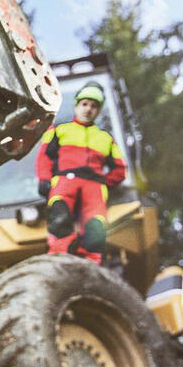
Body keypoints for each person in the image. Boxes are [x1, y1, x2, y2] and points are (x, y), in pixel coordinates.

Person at [33, 82, 127, 263]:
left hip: (94, 186)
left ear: (98, 111)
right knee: (59, 215)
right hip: (65, 181)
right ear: (76, 106)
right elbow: (43, 156)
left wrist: (103, 183)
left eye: (93, 106)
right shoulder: (59, 130)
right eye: (84, 104)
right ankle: (59, 260)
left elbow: (120, 169)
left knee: (96, 225)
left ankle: (92, 265)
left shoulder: (106, 138)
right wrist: (45, 180)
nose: (88, 109)